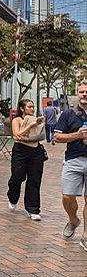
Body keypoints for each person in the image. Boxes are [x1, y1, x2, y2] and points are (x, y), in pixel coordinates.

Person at [54, 80, 87, 252]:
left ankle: (86, 236)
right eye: (81, 92)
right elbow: (56, 138)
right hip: (73, 160)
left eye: (86, 92)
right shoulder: (68, 114)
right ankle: (73, 220)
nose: (84, 95)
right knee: (67, 196)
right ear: (77, 93)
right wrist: (77, 135)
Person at [7, 99, 46, 221]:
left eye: (33, 106)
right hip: (20, 151)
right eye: (29, 107)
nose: (32, 109)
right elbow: (17, 135)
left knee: (34, 179)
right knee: (17, 177)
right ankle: (12, 197)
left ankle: (33, 209)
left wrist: (38, 125)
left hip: (35, 151)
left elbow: (41, 135)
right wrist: (30, 126)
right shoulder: (17, 120)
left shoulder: (36, 120)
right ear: (22, 108)